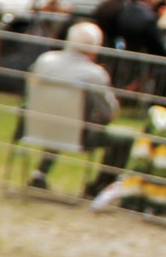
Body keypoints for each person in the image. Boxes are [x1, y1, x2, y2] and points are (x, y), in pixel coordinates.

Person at [24, 21, 118, 191]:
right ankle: (101, 187)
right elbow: (109, 112)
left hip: (33, 126)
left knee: (59, 119)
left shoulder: (44, 61)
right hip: (77, 135)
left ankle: (40, 174)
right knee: (123, 139)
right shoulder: (94, 74)